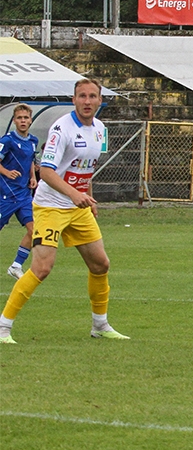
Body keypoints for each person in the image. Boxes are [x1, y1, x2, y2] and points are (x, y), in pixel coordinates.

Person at [0, 79, 128, 344]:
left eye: (93, 96)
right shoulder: (62, 129)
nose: (87, 101)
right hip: (50, 206)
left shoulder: (100, 129)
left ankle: (100, 325)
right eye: (82, 96)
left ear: (99, 100)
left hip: (78, 207)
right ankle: (3, 328)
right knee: (42, 268)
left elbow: (85, 168)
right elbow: (46, 172)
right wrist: (74, 194)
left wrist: (89, 199)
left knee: (100, 264)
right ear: (74, 99)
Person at [0, 104, 39, 280]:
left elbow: (30, 159)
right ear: (14, 120)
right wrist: (7, 172)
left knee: (34, 230)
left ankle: (16, 266)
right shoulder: (7, 140)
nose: (23, 121)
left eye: (26, 118)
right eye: (19, 118)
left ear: (30, 120)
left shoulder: (33, 141)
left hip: (23, 195)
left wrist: (33, 177)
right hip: (6, 194)